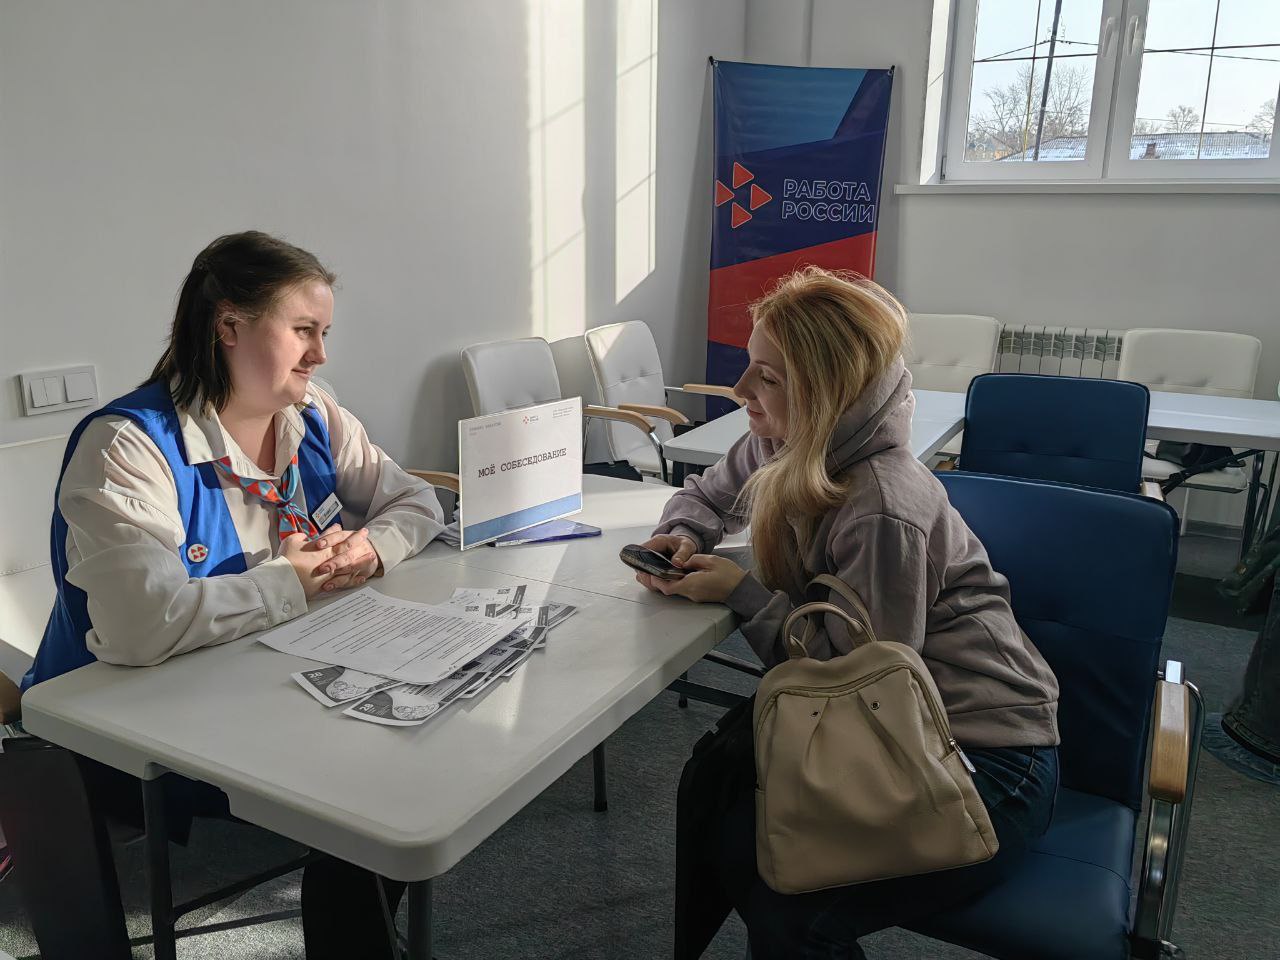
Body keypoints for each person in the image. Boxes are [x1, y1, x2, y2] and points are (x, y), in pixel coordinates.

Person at [23, 230, 445, 959]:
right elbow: (138, 628)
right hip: (124, 728)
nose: (320, 354)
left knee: (416, 742)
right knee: (379, 785)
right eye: (304, 331)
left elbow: (416, 502)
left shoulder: (314, 414)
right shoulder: (129, 446)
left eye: (325, 333)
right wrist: (289, 583)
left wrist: (371, 547)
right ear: (228, 326)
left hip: (266, 680)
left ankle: (353, 923)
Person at [635, 267, 1061, 958]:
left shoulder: (882, 507)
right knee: (722, 798)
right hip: (893, 724)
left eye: (767, 378)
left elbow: (857, 686)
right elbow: (708, 494)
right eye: (749, 366)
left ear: (825, 391)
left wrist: (742, 596)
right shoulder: (785, 440)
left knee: (792, 909)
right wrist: (684, 532)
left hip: (982, 758)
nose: (740, 391)